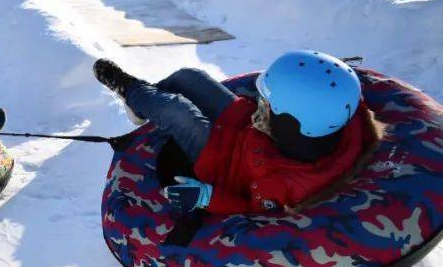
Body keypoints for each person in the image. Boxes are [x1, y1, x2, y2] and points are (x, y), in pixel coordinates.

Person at [93, 52, 379, 215]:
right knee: (189, 78)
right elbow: (329, 96)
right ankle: (142, 107)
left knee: (175, 110)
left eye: (267, 104)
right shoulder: (330, 122)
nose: (261, 102)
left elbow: (251, 213)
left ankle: (129, 89)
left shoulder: (284, 184)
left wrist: (207, 197)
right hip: (247, 132)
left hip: (220, 163)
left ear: (291, 125)